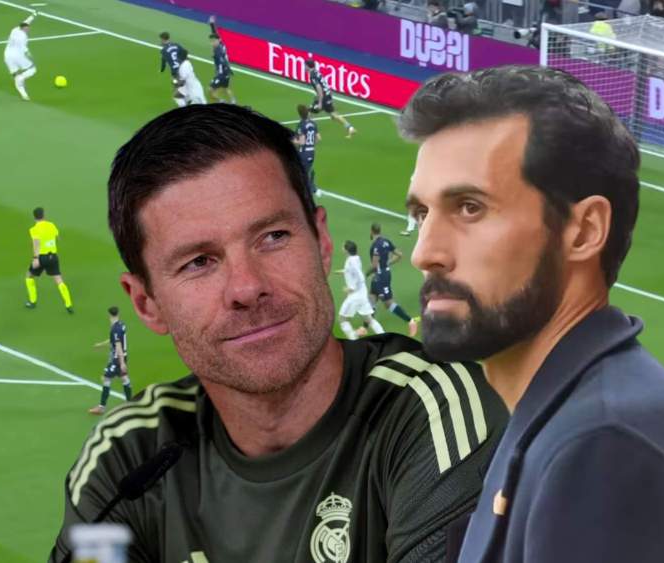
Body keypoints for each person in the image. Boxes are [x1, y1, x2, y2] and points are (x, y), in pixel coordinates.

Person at [48, 104, 507, 562]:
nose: (247, 288)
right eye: (199, 262)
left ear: (321, 242)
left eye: (273, 237)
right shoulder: (129, 458)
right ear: (146, 303)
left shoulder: (438, 412)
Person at [399, 65, 664, 562]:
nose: (425, 253)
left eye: (470, 207)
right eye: (421, 214)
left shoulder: (604, 452)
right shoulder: (566, 416)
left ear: (585, 231)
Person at [368, 223, 419, 337]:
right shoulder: (386, 241)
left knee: (387, 303)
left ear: (371, 231)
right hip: (382, 274)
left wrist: (365, 274)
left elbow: (374, 265)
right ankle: (366, 327)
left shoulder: (375, 246)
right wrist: (387, 263)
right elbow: (399, 254)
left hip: (381, 276)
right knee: (372, 297)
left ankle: (410, 321)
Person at [24, 207, 73, 313]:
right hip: (53, 256)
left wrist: (35, 258)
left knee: (29, 276)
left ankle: (32, 301)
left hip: (42, 257)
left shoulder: (34, 229)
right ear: (44, 215)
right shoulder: (51, 225)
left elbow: (36, 243)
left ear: (34, 217)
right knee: (59, 280)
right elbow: (58, 237)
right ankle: (68, 304)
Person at [88, 306, 134, 415]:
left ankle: (101, 407)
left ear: (109, 315)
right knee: (124, 378)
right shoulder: (121, 325)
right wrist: (101, 345)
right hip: (123, 356)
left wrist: (121, 363)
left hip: (117, 358)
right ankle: (130, 404)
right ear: (118, 314)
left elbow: (118, 346)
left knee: (106, 378)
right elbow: (114, 340)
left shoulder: (115, 329)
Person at [337, 241, 384, 340]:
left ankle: (353, 339)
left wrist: (351, 288)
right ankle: (384, 337)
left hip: (355, 296)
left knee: (342, 319)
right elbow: (352, 270)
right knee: (369, 319)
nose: (342, 248)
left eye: (343, 246)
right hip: (362, 294)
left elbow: (360, 275)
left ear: (346, 250)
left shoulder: (351, 261)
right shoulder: (356, 258)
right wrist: (343, 272)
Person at [305, 58, 356, 138]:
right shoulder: (317, 72)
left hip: (323, 97)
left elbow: (319, 88)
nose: (304, 67)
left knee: (309, 111)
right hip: (327, 95)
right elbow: (324, 85)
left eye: (305, 66)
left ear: (308, 66)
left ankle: (307, 130)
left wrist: (320, 102)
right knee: (333, 115)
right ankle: (350, 127)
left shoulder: (312, 76)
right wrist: (320, 97)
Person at [4, 11, 37, 101]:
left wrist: (33, 15)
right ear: (23, 29)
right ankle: (22, 77)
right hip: (18, 56)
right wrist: (30, 56)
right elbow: (24, 49)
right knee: (33, 69)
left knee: (15, 76)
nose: (28, 29)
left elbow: (26, 21)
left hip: (7, 55)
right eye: (27, 28)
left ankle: (24, 94)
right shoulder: (23, 37)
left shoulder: (15, 29)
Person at [292, 104, 321, 196]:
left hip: (303, 153)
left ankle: (312, 189)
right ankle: (312, 188)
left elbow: (302, 142)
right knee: (305, 170)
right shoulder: (313, 123)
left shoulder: (301, 125)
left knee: (301, 172)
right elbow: (318, 138)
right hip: (311, 152)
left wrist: (293, 141)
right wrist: (311, 144)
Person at [207, 16, 237, 104]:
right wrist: (212, 24)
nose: (212, 42)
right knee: (226, 88)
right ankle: (233, 102)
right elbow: (215, 34)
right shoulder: (221, 45)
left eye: (214, 41)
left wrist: (226, 69)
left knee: (210, 90)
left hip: (221, 74)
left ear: (218, 40)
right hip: (226, 72)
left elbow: (222, 60)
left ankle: (221, 101)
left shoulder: (218, 50)